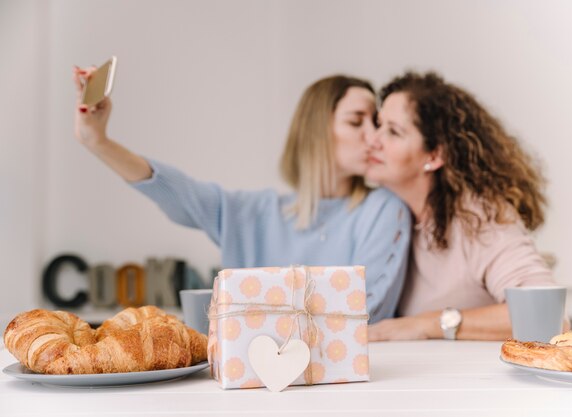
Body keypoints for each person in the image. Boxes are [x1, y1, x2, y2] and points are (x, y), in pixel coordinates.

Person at [72, 68, 411, 323]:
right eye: (357, 122)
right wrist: (97, 141)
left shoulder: (383, 210)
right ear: (316, 131)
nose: (375, 136)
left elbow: (368, 313)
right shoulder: (256, 213)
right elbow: (177, 192)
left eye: (377, 122)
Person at [366, 71, 563, 340]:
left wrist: (428, 324)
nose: (373, 140)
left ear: (434, 155)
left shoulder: (478, 216)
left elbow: (548, 317)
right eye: (378, 125)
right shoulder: (390, 219)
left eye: (393, 132)